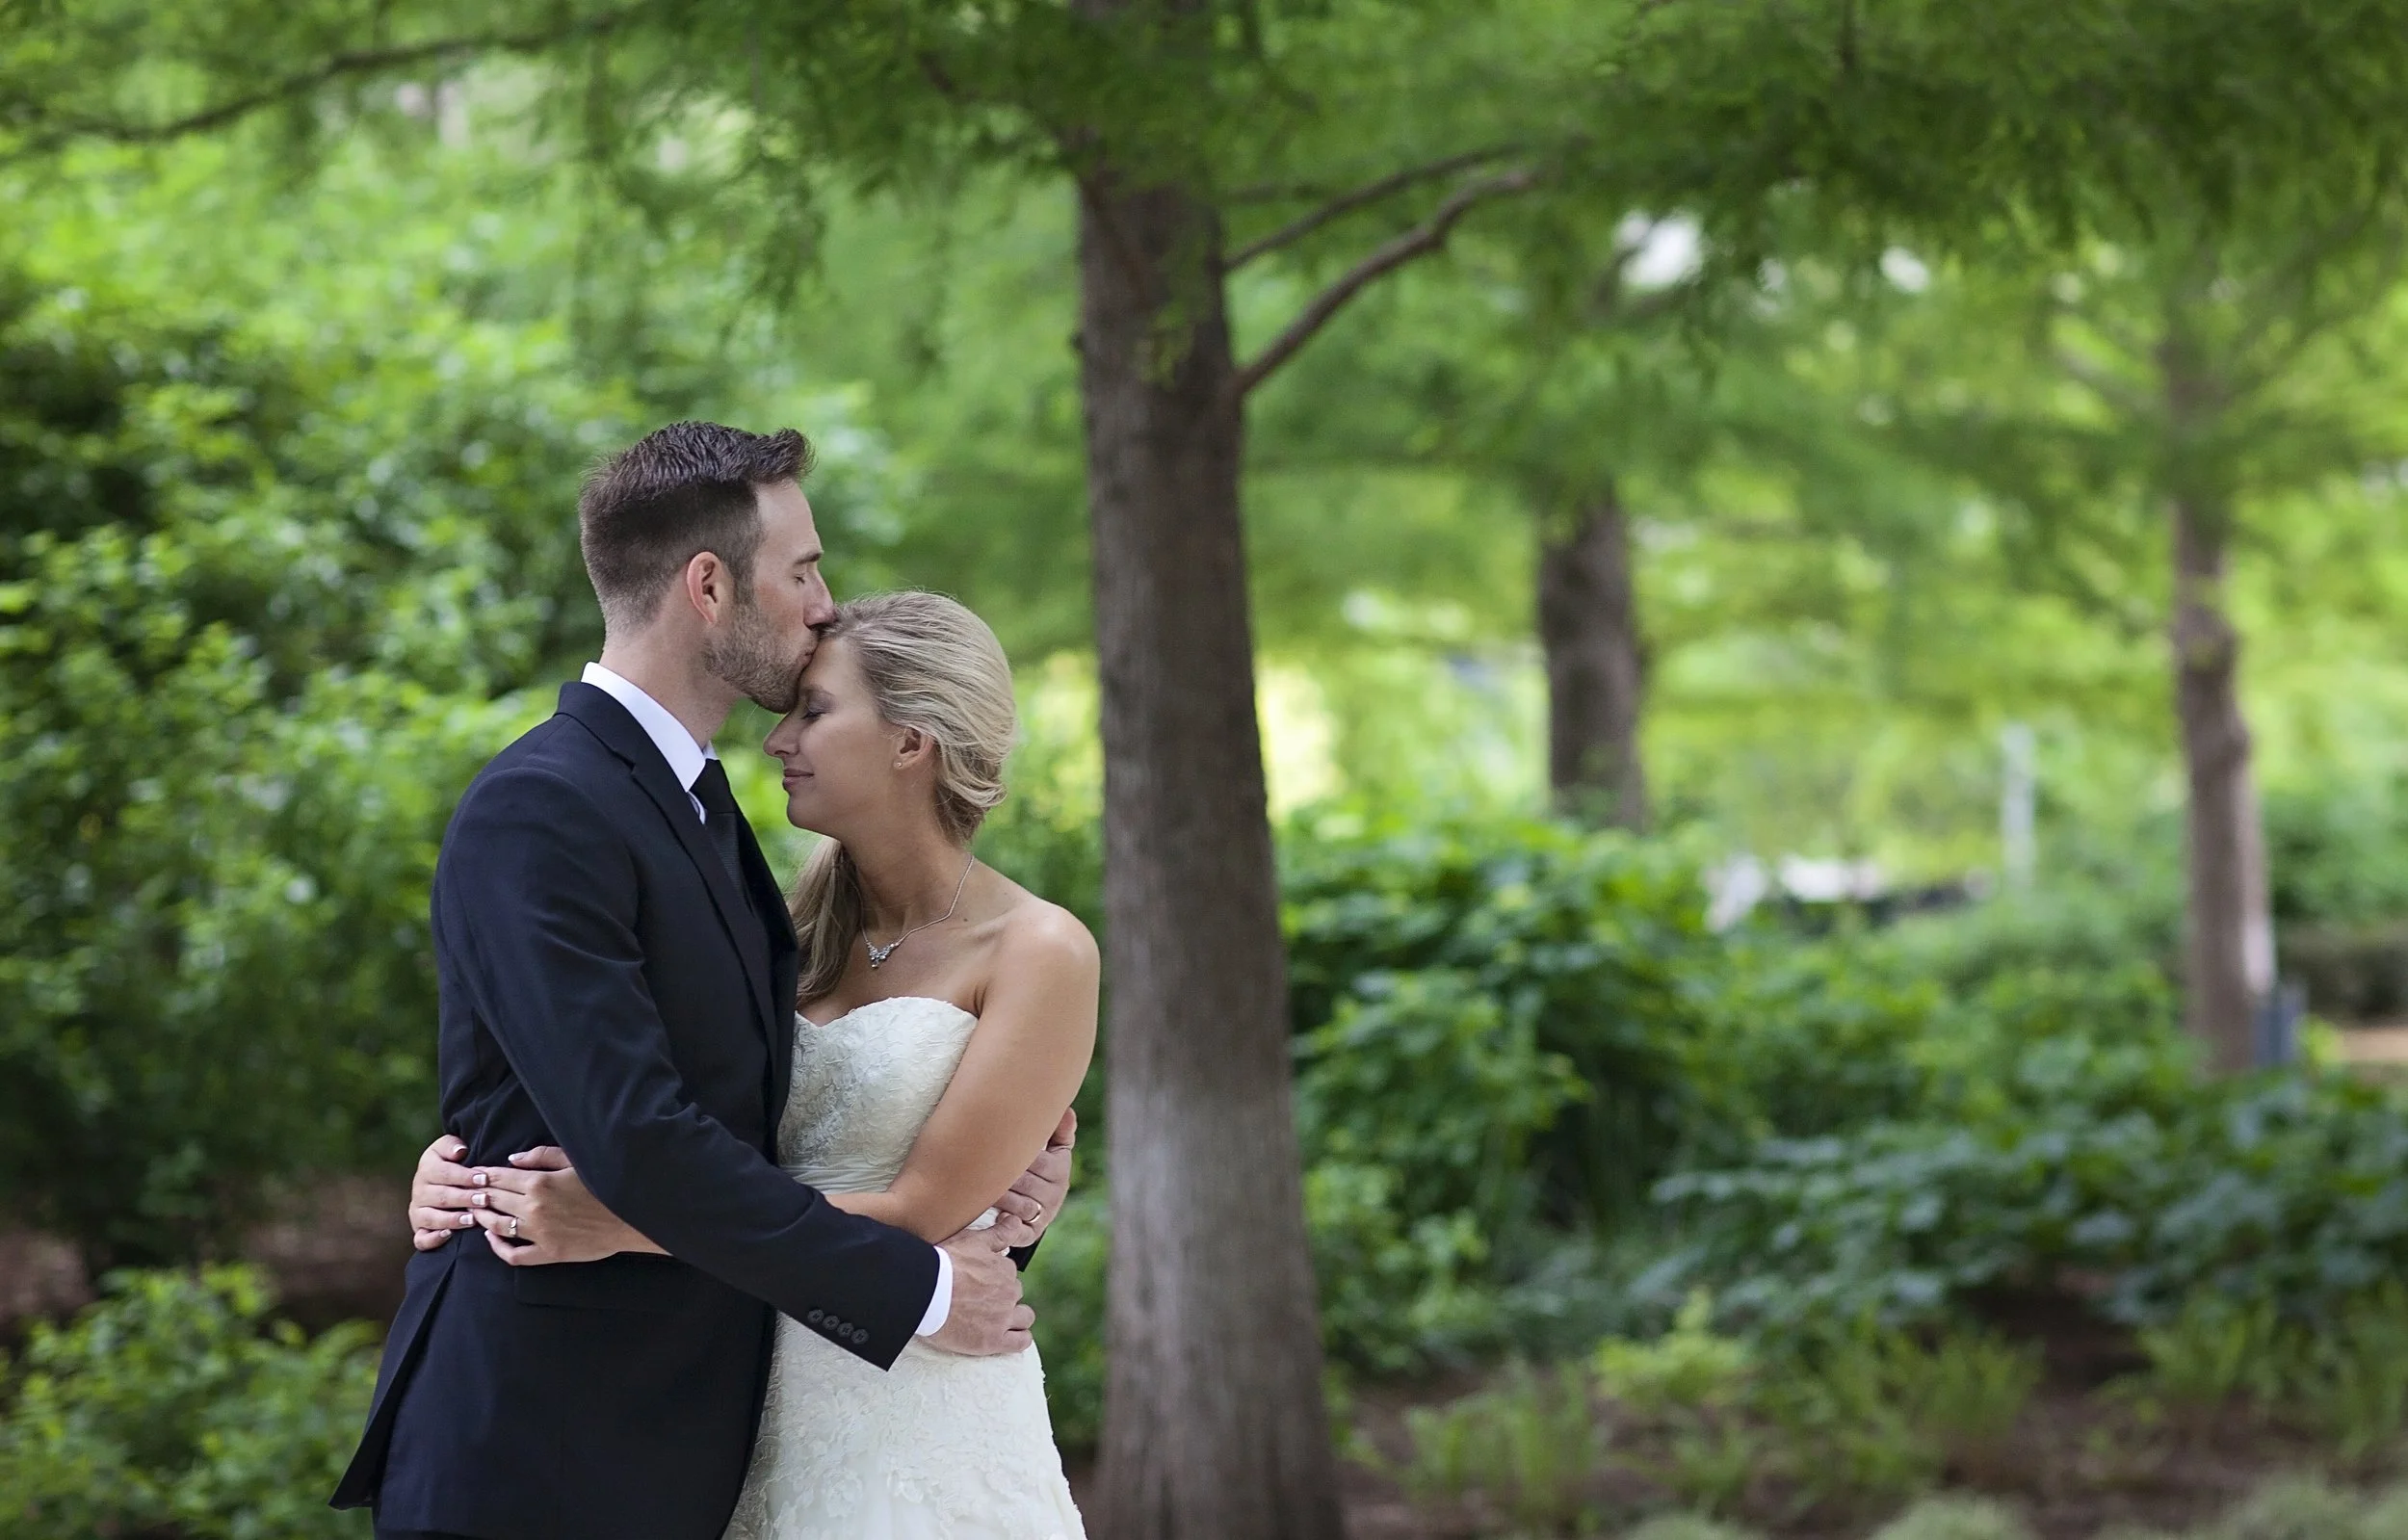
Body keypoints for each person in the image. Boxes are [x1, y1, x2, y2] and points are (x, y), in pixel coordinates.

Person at [332, 425, 1074, 1540]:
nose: (825, 603)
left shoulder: (708, 819)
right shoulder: (545, 804)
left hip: (705, 1439)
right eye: (804, 570)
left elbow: (743, 1119)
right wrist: (918, 1288)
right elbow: (637, 1134)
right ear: (710, 584)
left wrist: (1002, 1206)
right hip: (544, 1443)